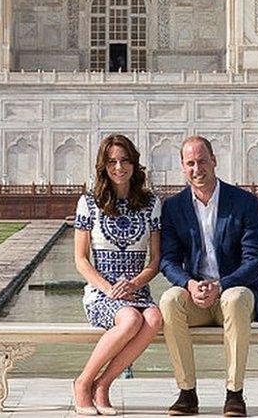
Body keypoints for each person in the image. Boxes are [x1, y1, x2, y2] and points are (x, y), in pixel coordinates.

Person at [159, 137, 258, 417]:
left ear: (214, 160)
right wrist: (190, 284)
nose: (197, 169)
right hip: (197, 297)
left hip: (232, 295)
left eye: (202, 161)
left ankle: (234, 393)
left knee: (236, 297)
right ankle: (187, 392)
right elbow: (167, 260)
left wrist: (221, 285)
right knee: (169, 300)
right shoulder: (173, 207)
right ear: (183, 167)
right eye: (190, 163)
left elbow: (255, 260)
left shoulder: (242, 202)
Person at [73, 134, 164, 415]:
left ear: (134, 164)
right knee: (130, 319)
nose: (119, 167)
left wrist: (135, 283)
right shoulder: (89, 203)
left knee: (154, 318)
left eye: (125, 160)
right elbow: (80, 260)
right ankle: (83, 383)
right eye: (112, 161)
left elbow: (156, 259)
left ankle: (103, 385)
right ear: (104, 166)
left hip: (137, 291)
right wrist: (108, 288)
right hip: (101, 294)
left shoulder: (150, 204)